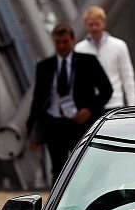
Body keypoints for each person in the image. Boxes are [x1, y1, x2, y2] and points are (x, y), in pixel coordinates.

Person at [27, 22, 113, 182]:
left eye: (65, 42)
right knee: (57, 170)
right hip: (54, 123)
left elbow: (107, 89)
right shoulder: (44, 67)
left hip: (80, 123)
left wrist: (90, 110)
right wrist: (31, 130)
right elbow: (37, 99)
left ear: (72, 41)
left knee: (82, 166)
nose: (61, 46)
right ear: (54, 42)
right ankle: (57, 205)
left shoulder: (88, 62)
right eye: (58, 42)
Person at [74, 6, 135, 110]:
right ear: (86, 25)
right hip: (90, 107)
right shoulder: (79, 49)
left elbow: (127, 77)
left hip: (114, 104)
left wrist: (132, 107)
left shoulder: (119, 46)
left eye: (97, 24)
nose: (94, 28)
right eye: (91, 24)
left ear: (104, 23)